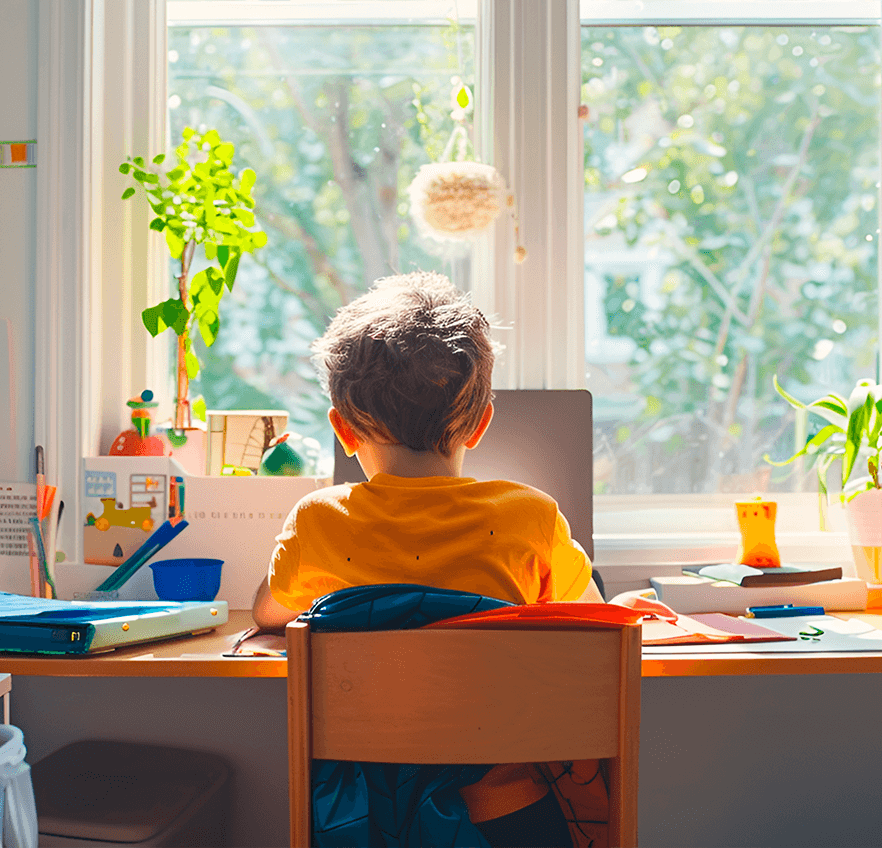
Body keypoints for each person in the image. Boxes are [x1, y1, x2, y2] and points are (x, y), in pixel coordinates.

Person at [251, 270, 676, 847]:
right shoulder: (532, 516)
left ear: (342, 432)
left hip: (363, 818)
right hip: (505, 815)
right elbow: (588, 630)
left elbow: (272, 616)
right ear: (480, 422)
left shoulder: (317, 520)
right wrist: (622, 607)